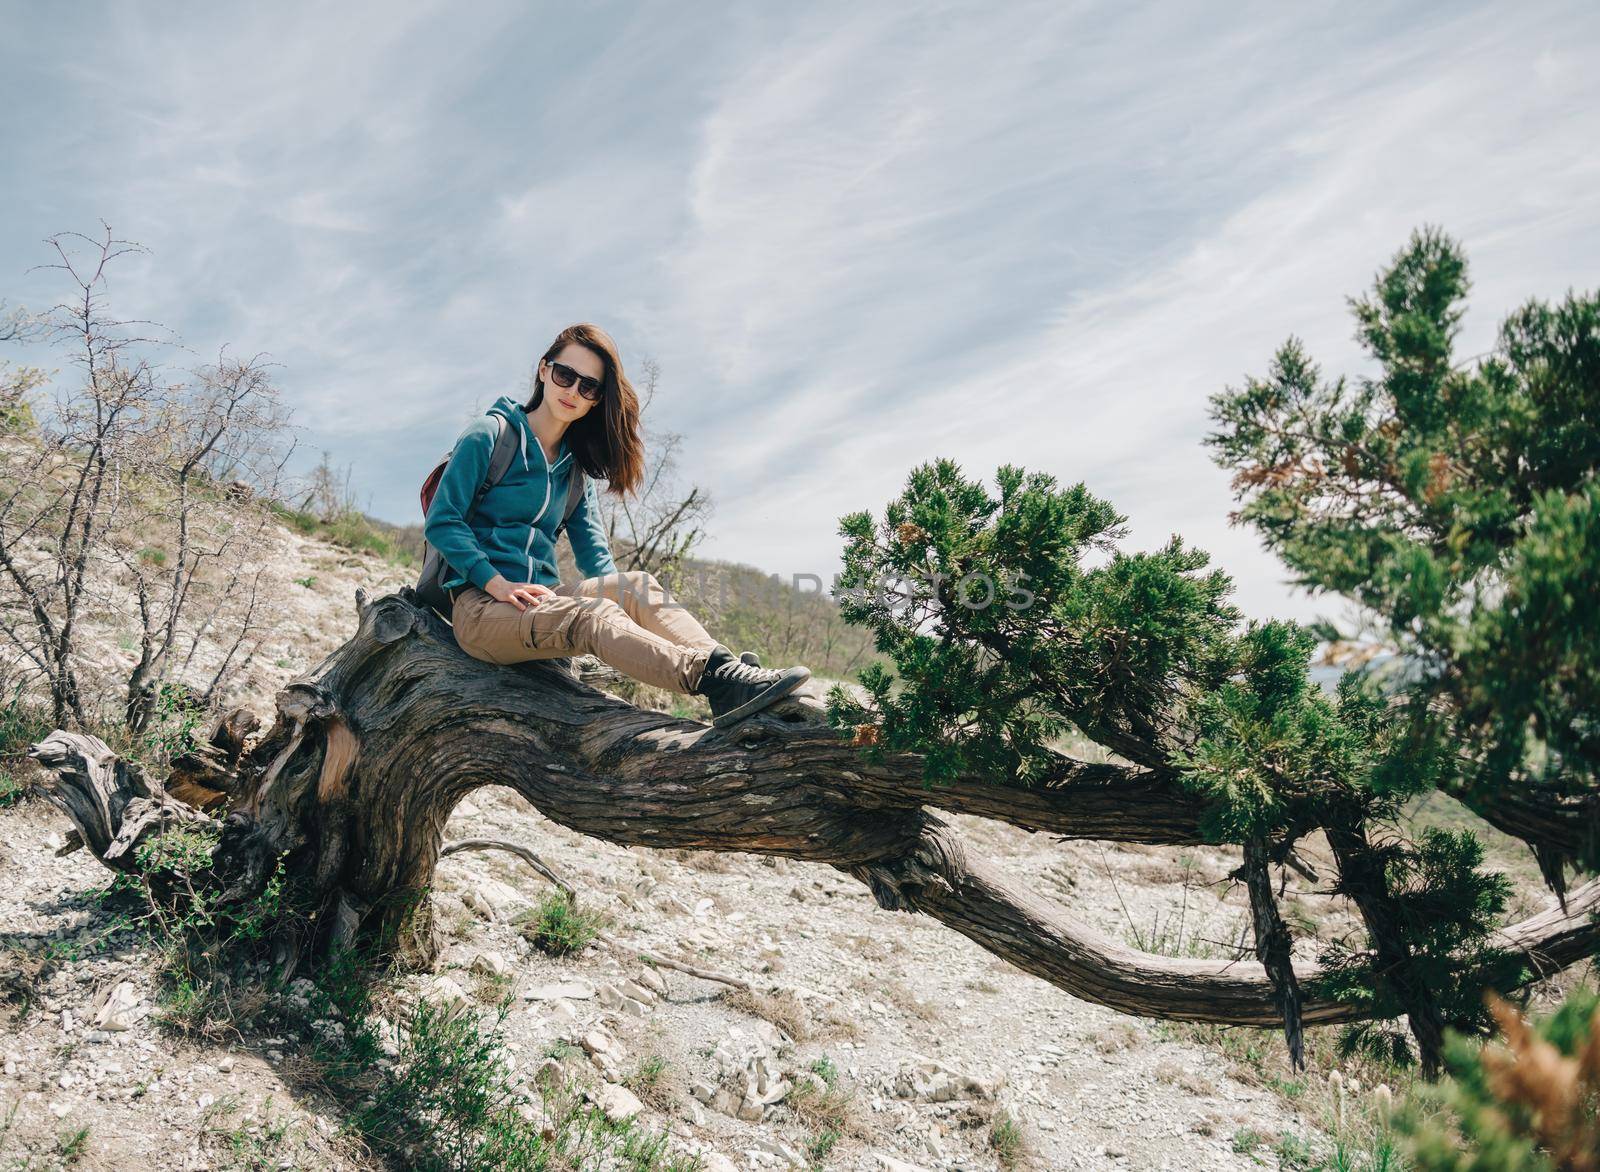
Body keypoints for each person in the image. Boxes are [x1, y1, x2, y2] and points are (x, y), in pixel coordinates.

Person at [424, 322, 811, 728]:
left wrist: (622, 602)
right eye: (565, 375)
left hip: (544, 600)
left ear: (596, 401)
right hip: (481, 607)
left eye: (589, 387)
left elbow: (598, 562)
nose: (573, 391)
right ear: (543, 370)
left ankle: (731, 674)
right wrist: (496, 583)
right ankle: (709, 679)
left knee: (636, 585)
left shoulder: (574, 473)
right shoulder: (491, 434)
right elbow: (443, 521)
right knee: (590, 615)